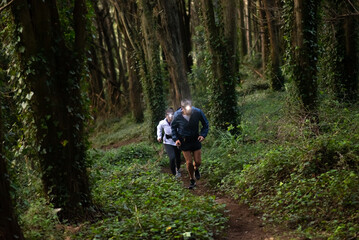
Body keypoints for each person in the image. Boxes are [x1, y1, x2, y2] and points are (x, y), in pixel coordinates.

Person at [171, 99, 209, 189]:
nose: (189, 110)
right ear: (182, 108)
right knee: (189, 162)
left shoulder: (197, 112)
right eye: (187, 109)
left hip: (195, 139)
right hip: (184, 141)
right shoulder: (177, 115)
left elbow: (205, 124)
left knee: (198, 161)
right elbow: (173, 128)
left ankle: (196, 169)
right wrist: (176, 139)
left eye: (190, 108)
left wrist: (203, 135)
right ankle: (192, 179)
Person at [157, 108, 182, 178]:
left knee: (178, 157)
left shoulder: (176, 121)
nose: (170, 117)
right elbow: (159, 129)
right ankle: (174, 173)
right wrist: (159, 137)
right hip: (167, 142)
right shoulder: (162, 122)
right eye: (169, 116)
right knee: (172, 157)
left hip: (177, 141)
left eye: (172, 115)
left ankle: (178, 169)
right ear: (166, 116)